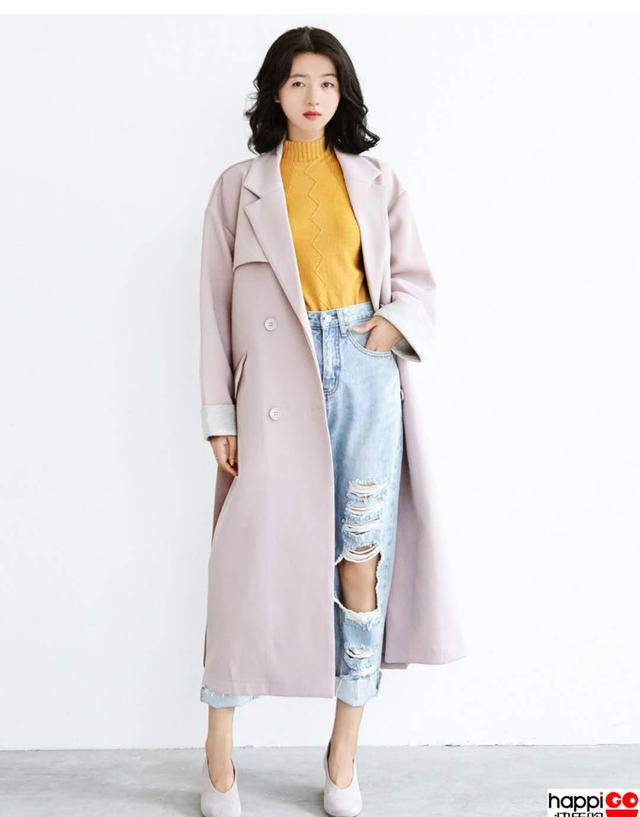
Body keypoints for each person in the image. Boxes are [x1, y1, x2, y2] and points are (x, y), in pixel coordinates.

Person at [198, 25, 465, 817]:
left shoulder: (377, 180)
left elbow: (417, 281)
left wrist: (388, 326)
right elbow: (212, 308)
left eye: (326, 82)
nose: (312, 97)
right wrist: (219, 414)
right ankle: (217, 753)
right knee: (247, 559)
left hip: (364, 376)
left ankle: (343, 753)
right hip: (273, 383)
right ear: (274, 94)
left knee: (360, 557)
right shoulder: (237, 188)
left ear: (341, 93)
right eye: (297, 82)